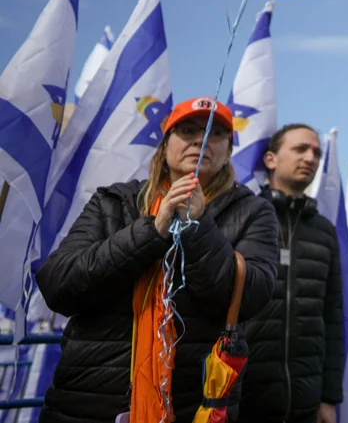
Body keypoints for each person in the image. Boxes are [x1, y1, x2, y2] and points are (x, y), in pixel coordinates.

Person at [36, 97, 279, 423]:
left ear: (228, 153)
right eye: (188, 131)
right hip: (87, 404)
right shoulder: (114, 202)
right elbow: (58, 285)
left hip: (191, 407)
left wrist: (198, 227)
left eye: (215, 133)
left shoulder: (253, 212)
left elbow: (251, 297)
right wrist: (153, 230)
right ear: (164, 147)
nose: (200, 140)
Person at [239, 124, 343, 423]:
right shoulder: (243, 216)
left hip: (304, 404)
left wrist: (329, 398)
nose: (311, 158)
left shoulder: (324, 231)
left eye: (316, 153)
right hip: (242, 400)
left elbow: (333, 318)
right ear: (270, 159)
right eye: (300, 149)